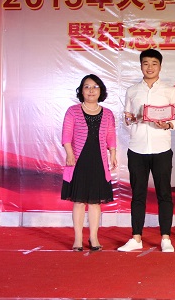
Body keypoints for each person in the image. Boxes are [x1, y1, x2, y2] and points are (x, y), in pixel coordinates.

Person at [117, 49, 175, 253]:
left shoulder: (169, 91)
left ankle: (166, 238)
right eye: (146, 63)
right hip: (137, 149)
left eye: (154, 63)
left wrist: (168, 125)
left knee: (164, 194)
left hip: (161, 148)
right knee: (138, 194)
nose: (150, 67)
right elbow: (126, 120)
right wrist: (130, 120)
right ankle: (136, 238)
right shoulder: (132, 91)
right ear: (140, 66)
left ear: (160, 67)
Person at [62, 74, 117, 252]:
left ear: (101, 91)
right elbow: (66, 135)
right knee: (78, 201)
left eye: (95, 87)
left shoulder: (107, 113)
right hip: (78, 161)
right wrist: (69, 154)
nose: (91, 90)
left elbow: (111, 136)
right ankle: (78, 238)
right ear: (81, 90)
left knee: (95, 202)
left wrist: (113, 153)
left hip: (98, 161)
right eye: (87, 87)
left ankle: (93, 237)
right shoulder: (72, 111)